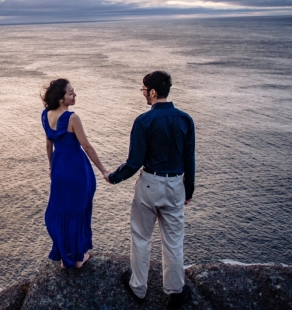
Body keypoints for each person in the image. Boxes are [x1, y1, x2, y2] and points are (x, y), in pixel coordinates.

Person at [106, 71, 195, 309]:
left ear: (153, 92)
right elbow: (189, 159)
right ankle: (175, 291)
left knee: (141, 236)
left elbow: (134, 162)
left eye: (144, 90)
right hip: (175, 184)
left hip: (149, 184)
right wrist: (189, 190)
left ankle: (138, 287)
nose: (143, 94)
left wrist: (114, 177)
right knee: (174, 240)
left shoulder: (143, 121)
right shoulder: (186, 119)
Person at [41, 78, 110, 269]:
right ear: (61, 98)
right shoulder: (72, 118)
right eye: (70, 93)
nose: (74, 95)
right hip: (76, 168)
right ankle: (78, 258)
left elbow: (49, 144)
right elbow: (86, 146)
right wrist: (103, 169)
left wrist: (51, 167)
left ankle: (65, 257)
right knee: (79, 210)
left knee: (61, 210)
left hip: (58, 166)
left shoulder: (46, 115)